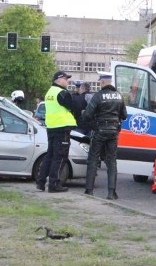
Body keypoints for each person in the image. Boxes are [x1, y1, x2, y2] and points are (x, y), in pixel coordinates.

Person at [82, 72, 127, 200]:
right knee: (111, 161)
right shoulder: (119, 96)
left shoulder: (98, 96)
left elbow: (87, 115)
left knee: (93, 159)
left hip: (100, 131)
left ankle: (89, 191)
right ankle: (111, 193)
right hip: (113, 132)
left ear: (102, 82)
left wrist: (88, 117)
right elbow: (124, 115)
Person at [36, 71, 76, 193]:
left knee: (50, 155)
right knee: (60, 157)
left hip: (52, 127)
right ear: (59, 80)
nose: (67, 81)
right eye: (66, 79)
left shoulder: (49, 92)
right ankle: (54, 184)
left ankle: (41, 182)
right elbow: (72, 106)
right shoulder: (62, 93)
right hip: (62, 128)